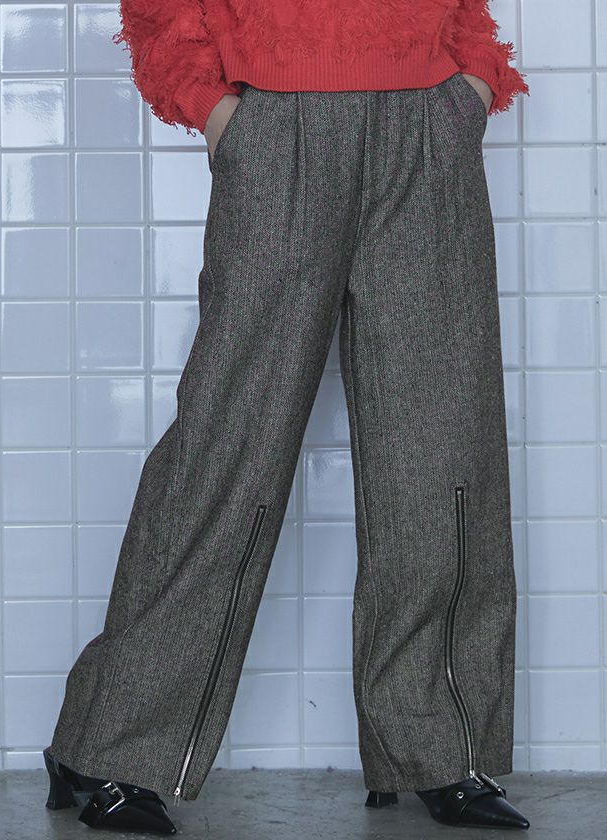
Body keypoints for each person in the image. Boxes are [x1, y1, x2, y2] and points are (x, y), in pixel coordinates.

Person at [43, 1, 531, 833]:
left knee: (443, 445)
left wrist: (472, 83)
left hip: (428, 128)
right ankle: (113, 746)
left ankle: (438, 748)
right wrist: (218, 112)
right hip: (278, 127)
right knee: (229, 448)